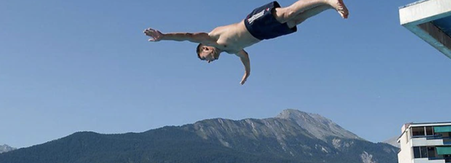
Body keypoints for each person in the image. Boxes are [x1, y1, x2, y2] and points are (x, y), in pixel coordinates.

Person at [144, 0, 349, 85]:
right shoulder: (231, 50)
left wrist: (164, 36)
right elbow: (245, 56)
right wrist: (247, 73)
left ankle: (329, 0)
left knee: (288, 13)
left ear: (205, 48)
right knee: (297, 20)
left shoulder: (212, 38)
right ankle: (328, 4)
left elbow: (187, 36)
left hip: (252, 23)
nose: (209, 61)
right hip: (264, 35)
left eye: (204, 58)